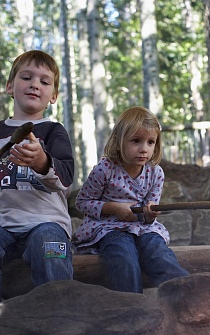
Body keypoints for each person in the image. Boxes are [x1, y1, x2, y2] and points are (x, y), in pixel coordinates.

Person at [72, 106, 189, 293]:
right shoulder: (105, 169)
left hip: (142, 227)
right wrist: (114, 208)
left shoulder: (155, 173)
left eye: (151, 142)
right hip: (108, 227)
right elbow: (82, 202)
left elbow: (149, 213)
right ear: (119, 142)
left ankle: (186, 293)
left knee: (159, 253)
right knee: (124, 256)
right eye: (136, 141)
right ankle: (132, 306)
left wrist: (150, 214)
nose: (144, 149)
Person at [0, 50, 74, 299]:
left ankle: (60, 322)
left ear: (53, 96)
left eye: (44, 81)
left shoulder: (53, 131)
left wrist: (42, 161)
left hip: (47, 222)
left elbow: (66, 179)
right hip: (3, 223)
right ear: (10, 86)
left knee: (51, 249)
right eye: (26, 78)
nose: (34, 84)